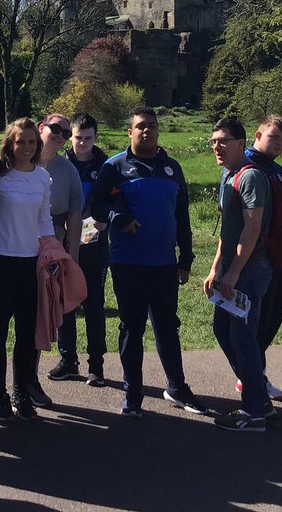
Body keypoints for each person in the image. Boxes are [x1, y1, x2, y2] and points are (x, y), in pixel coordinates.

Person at [90, 106, 207, 418]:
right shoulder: (114, 167)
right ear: (130, 132)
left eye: (152, 126)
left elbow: (182, 215)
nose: (147, 131)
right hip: (128, 263)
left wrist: (186, 258)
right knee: (132, 327)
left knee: (168, 327)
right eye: (140, 126)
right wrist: (119, 217)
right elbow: (96, 205)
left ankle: (177, 387)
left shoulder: (172, 168)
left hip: (165, 263)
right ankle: (133, 395)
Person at [0, 118, 56, 421]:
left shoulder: (42, 178)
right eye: (20, 142)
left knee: (27, 335)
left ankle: (20, 393)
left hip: (30, 264)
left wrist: (53, 252)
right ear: (9, 145)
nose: (26, 147)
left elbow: (44, 220)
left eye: (31, 142)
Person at [205, 117, 273, 432]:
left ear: (241, 143)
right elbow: (228, 231)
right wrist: (216, 268)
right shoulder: (228, 175)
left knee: (243, 338)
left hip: (249, 270)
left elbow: (252, 228)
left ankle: (254, 412)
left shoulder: (251, 177)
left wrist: (233, 272)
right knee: (223, 329)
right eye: (213, 141)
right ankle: (258, 398)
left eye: (223, 140)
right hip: (233, 268)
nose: (217, 146)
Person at [242, 115, 282, 402]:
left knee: (269, 321)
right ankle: (252, 380)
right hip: (258, 259)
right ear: (257, 135)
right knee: (255, 324)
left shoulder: (278, 171)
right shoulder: (249, 167)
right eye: (273, 136)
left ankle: (255, 375)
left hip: (280, 257)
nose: (279, 143)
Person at [53, 112, 110, 386]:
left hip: (95, 247)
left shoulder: (108, 167)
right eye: (77, 138)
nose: (83, 144)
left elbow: (119, 202)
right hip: (64, 244)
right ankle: (68, 360)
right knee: (64, 303)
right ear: (69, 138)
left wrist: (106, 218)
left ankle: (96, 365)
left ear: (96, 138)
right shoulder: (61, 165)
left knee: (94, 305)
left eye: (88, 138)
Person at [30, 112, 82, 404]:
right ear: (41, 128)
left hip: (48, 257)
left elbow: (74, 213)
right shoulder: (16, 160)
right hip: (11, 250)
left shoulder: (68, 170)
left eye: (65, 132)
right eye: (55, 129)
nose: (61, 136)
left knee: (39, 318)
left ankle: (30, 379)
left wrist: (71, 257)